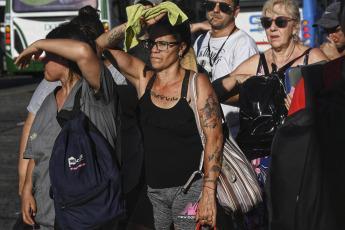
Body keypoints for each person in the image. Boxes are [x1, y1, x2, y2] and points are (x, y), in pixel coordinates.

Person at [96, 8, 224, 229]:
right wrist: (137, 23)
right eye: (152, 43)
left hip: (190, 188)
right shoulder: (143, 78)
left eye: (163, 44)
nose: (154, 50)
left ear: (182, 48)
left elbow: (215, 139)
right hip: (151, 191)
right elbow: (101, 45)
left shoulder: (197, 83)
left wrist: (208, 193)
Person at [212, 0, 328, 228]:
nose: (272, 28)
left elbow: (334, 103)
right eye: (267, 22)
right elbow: (213, 92)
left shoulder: (312, 59)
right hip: (257, 163)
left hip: (298, 158)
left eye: (280, 22)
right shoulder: (258, 62)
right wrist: (240, 82)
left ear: (295, 27)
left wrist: (304, 103)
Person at [193, 0, 259, 138]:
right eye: (211, 5)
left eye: (224, 7)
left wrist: (209, 95)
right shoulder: (200, 39)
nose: (215, 10)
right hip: (201, 132)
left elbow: (246, 93)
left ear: (235, 12)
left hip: (229, 135)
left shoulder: (243, 43)